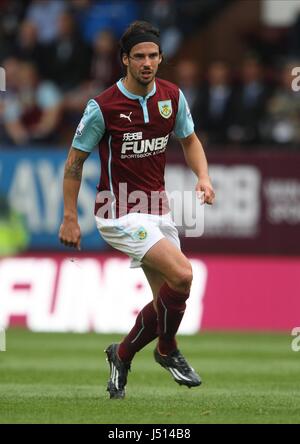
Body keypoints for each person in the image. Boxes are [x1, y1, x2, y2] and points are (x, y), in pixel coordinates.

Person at [59, 20, 215, 399]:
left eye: (153, 56)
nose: (147, 63)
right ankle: (167, 351)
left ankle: (123, 354)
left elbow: (190, 140)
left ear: (161, 58)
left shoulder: (172, 97)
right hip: (118, 211)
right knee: (183, 273)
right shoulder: (103, 106)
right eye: (140, 56)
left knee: (169, 300)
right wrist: (69, 217)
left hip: (156, 208)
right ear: (125, 59)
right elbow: (74, 163)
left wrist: (204, 177)